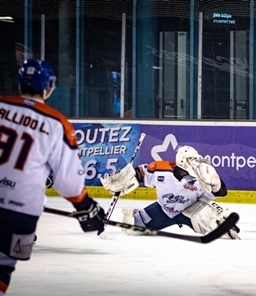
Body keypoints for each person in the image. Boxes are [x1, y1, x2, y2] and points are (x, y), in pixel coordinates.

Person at [0, 59, 105, 296]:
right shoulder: (57, 123)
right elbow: (68, 182)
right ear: (48, 87)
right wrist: (84, 205)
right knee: (2, 268)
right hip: (20, 212)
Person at [101, 145, 239, 239]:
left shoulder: (201, 177)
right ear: (182, 161)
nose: (195, 162)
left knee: (215, 222)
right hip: (163, 210)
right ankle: (139, 214)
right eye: (191, 159)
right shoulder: (161, 170)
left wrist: (216, 183)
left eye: (196, 159)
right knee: (131, 227)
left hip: (190, 212)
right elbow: (139, 174)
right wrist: (124, 178)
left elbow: (221, 192)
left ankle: (220, 221)